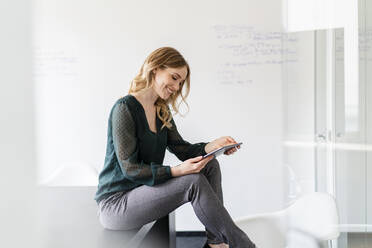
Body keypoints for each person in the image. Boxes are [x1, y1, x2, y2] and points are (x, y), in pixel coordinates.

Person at [94, 47, 256, 248]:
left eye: (180, 82)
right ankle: (245, 246)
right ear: (155, 69)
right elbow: (130, 168)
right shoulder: (124, 108)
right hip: (116, 205)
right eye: (174, 77)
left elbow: (182, 150)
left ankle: (217, 244)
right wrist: (177, 171)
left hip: (142, 192)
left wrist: (213, 146)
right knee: (192, 181)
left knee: (211, 166)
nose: (177, 86)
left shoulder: (161, 110)